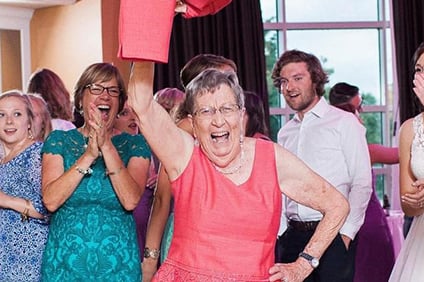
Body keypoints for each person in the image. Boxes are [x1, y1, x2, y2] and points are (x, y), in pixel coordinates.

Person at [128, 62, 349, 281]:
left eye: (227, 109)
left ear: (241, 114)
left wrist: (303, 265)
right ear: (193, 123)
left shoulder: (272, 158)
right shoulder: (183, 156)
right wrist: (149, 30)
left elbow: (336, 205)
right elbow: (141, 103)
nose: (218, 120)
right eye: (206, 111)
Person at [40, 62, 151, 281]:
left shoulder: (134, 145)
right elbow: (51, 201)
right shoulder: (59, 141)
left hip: (118, 268)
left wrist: (107, 147)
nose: (105, 96)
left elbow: (130, 200)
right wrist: (89, 155)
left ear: (120, 102)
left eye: (113, 91)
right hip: (64, 267)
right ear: (81, 98)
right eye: (96, 89)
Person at [272, 50, 372, 282]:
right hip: (292, 237)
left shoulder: (344, 123)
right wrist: (281, 233)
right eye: (284, 81)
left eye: (298, 78)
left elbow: (362, 184)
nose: (289, 87)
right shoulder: (285, 132)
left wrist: (345, 235)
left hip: (333, 236)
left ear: (315, 80)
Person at [142, 55, 236, 281]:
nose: (235, 86)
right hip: (191, 236)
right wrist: (150, 260)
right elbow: (163, 199)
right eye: (228, 79)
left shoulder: (232, 127)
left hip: (228, 235)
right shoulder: (183, 131)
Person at [329, 82, 397, 282]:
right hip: (368, 225)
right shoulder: (367, 150)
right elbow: (405, 153)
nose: (361, 115)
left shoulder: (328, 151)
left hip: (342, 226)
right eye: (358, 109)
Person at [0, 90, 49, 282]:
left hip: (27, 258)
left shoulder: (36, 153)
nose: (9, 121)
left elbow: (47, 207)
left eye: (17, 114)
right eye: (1, 115)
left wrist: (6, 200)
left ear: (29, 122)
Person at [389, 42, 424, 281]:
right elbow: (408, 205)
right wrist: (417, 200)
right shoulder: (410, 129)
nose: (422, 77)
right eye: (419, 70)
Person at [114, 102, 154, 264]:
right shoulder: (106, 153)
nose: (132, 117)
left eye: (134, 113)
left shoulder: (152, 149)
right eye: (124, 113)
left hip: (148, 237)